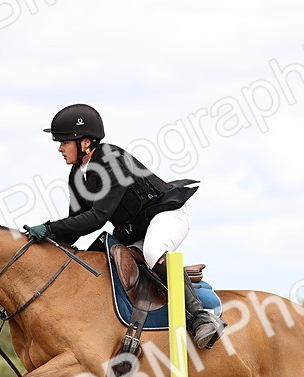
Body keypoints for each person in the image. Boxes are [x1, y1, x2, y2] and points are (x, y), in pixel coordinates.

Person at [24, 103, 225, 349]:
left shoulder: (112, 161)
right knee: (94, 260)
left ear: (85, 143)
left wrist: (49, 227)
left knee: (152, 251)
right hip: (135, 228)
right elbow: (76, 226)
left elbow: (97, 217)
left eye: (64, 142)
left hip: (167, 214)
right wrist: (44, 244)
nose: (60, 148)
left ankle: (200, 316)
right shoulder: (78, 175)